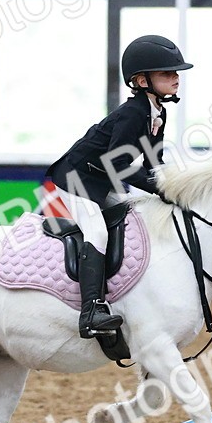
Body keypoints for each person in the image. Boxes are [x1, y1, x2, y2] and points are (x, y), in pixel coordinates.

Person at [45, 34, 193, 338]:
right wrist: (157, 188)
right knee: (97, 231)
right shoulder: (132, 113)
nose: (176, 78)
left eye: (176, 72)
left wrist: (172, 188)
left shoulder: (158, 113)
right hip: (74, 177)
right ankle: (91, 311)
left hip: (99, 178)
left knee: (134, 221)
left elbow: (153, 162)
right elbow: (117, 163)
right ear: (141, 81)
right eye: (167, 73)